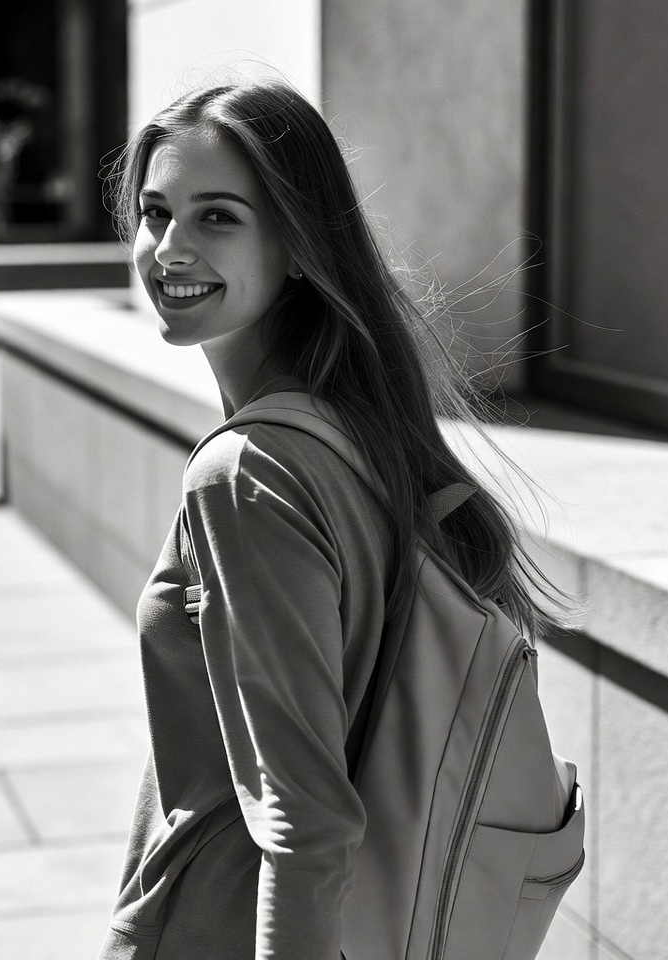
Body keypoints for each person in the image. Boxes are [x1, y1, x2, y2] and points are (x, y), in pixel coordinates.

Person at [97, 78, 558, 960]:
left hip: (220, 925)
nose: (170, 249)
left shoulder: (248, 473)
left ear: (299, 245)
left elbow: (304, 823)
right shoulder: (353, 430)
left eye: (218, 217)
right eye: (157, 213)